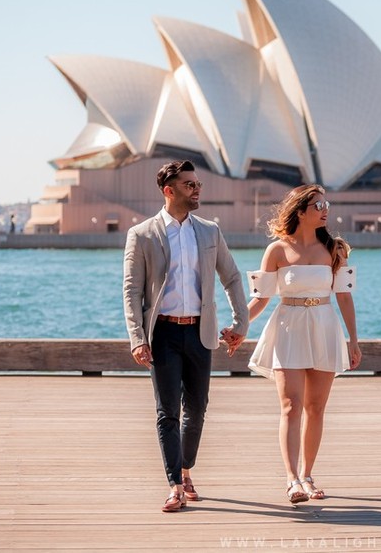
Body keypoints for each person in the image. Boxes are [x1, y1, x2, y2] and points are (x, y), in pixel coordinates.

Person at [222, 184, 361, 504]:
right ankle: (292, 479)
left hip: (324, 326)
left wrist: (353, 340)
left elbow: (344, 297)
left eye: (327, 204)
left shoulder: (335, 249)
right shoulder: (277, 250)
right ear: (300, 212)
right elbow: (261, 298)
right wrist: (239, 327)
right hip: (287, 327)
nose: (325, 209)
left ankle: (308, 474)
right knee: (290, 405)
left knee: (316, 407)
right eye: (318, 205)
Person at [123, 160, 249, 513]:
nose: (197, 190)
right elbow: (132, 290)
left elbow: (233, 278)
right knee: (167, 412)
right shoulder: (142, 234)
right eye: (189, 184)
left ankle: (186, 468)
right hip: (161, 332)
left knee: (197, 408)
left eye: (198, 184)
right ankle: (175, 485)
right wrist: (137, 337)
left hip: (200, 331)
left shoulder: (209, 231)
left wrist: (241, 323)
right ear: (169, 190)